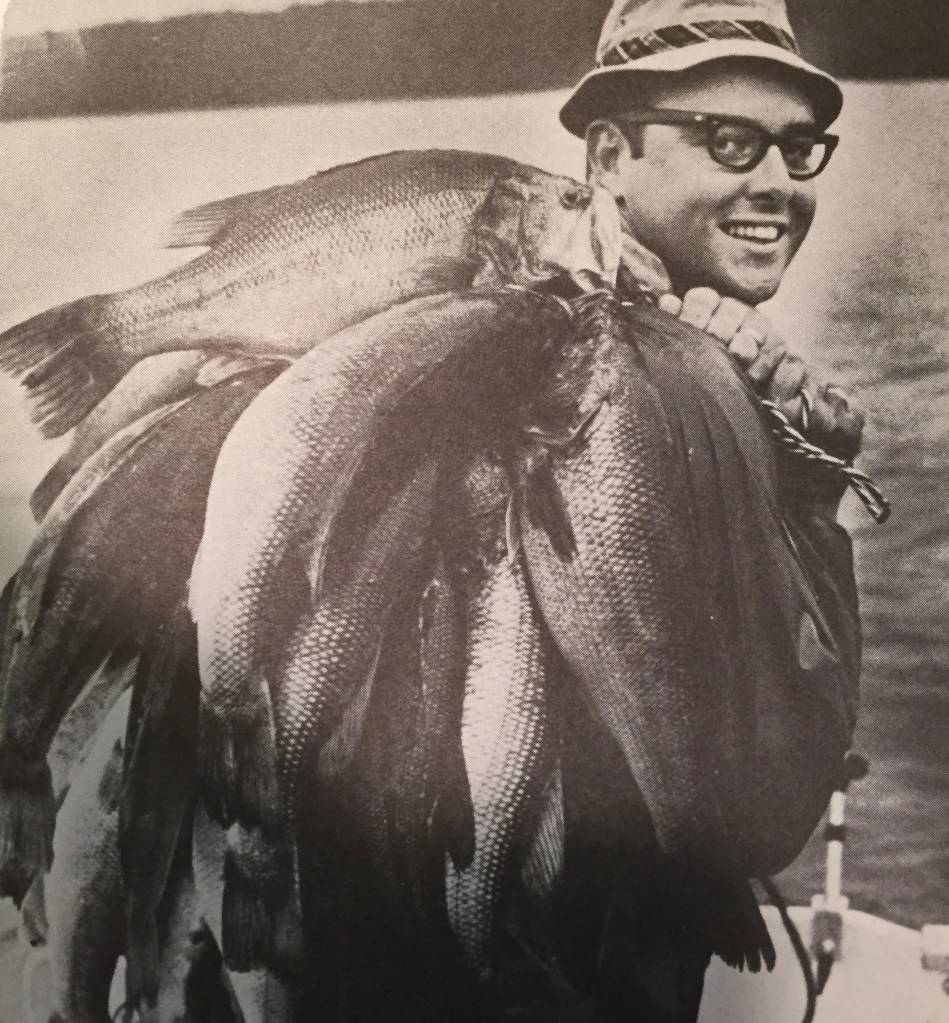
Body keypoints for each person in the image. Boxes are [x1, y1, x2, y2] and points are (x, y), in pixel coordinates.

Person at [544, 1, 865, 1020]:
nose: (776, 183)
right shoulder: (557, 374)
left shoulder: (700, 373)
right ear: (608, 156)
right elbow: (768, 805)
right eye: (727, 140)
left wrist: (798, 481)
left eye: (797, 149)